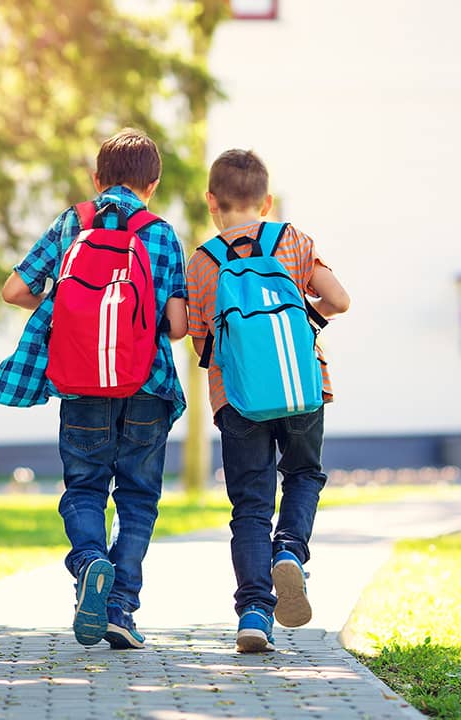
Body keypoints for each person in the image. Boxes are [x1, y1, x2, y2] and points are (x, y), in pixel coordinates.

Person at [0, 128, 188, 650]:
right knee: (138, 497)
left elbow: (14, 291)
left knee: (84, 488)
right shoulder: (162, 233)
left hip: (81, 383)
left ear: (96, 179)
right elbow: (180, 324)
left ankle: (89, 562)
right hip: (147, 383)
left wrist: (71, 314)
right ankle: (121, 606)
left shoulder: (70, 223)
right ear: (154, 183)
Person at [186, 149, 350, 652]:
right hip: (303, 388)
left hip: (237, 398)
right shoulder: (293, 241)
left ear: (212, 201)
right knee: (303, 475)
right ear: (267, 200)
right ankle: (291, 553)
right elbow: (339, 299)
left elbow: (199, 342)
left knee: (250, 506)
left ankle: (255, 613)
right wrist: (307, 320)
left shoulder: (203, 262)